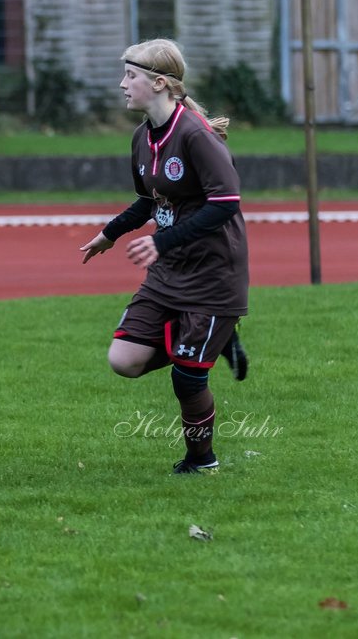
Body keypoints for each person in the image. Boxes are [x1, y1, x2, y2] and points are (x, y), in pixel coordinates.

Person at [80, 38, 250, 475]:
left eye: (130, 76)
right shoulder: (142, 138)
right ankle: (213, 341)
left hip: (213, 275)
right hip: (170, 271)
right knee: (124, 360)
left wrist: (162, 242)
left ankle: (202, 461)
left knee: (188, 377)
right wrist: (110, 234)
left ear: (159, 83)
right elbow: (148, 201)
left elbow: (226, 202)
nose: (122, 84)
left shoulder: (195, 134)